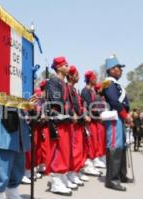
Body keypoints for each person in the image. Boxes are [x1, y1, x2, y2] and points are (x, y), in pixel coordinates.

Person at [0, 71, 31, 199]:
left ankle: (12, 189)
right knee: (2, 160)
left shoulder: (20, 72)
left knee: (18, 159)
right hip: (2, 118)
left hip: (19, 120)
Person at [102, 55, 134, 191]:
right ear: (111, 69)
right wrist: (125, 115)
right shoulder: (108, 83)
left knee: (121, 147)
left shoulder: (115, 84)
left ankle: (121, 175)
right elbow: (114, 101)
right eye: (118, 68)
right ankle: (112, 180)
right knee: (114, 147)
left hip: (120, 118)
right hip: (114, 118)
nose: (121, 71)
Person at [46, 56, 76, 196]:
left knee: (65, 150)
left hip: (66, 120)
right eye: (65, 65)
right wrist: (71, 112)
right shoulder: (53, 81)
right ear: (58, 67)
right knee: (58, 150)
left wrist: (72, 113)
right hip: (58, 121)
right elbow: (57, 102)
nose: (68, 67)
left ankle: (62, 175)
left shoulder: (63, 83)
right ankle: (56, 181)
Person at [81, 70, 105, 176]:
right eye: (94, 78)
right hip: (89, 122)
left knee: (94, 143)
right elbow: (90, 106)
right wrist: (98, 114)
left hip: (95, 121)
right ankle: (88, 166)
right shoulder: (85, 91)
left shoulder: (92, 92)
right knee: (89, 144)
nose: (96, 79)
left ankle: (92, 164)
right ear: (90, 79)